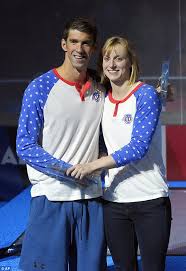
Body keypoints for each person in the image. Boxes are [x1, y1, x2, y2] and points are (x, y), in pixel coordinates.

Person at [66, 36, 172, 271]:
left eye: (119, 58)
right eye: (107, 58)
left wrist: (91, 166)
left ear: (130, 63)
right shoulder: (102, 97)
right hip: (114, 202)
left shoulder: (145, 95)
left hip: (150, 200)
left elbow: (137, 147)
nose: (112, 64)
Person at [16, 17, 107, 271]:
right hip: (51, 197)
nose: (80, 49)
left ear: (94, 48)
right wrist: (67, 171)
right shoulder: (40, 88)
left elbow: (109, 132)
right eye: (74, 42)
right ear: (64, 44)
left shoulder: (101, 87)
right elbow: (24, 145)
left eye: (86, 43)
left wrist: (159, 96)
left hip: (91, 198)